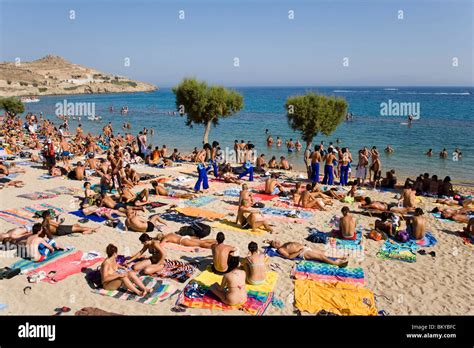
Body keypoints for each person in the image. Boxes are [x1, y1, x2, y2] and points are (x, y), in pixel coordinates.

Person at [266, 240, 348, 267]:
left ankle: (340, 257)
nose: (277, 242)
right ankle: (337, 264)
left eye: (276, 241)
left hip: (305, 248)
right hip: (302, 252)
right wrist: (299, 251)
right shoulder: (280, 249)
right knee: (321, 256)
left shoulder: (283, 244)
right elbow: (289, 257)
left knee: (324, 252)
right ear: (275, 247)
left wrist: (303, 246)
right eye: (275, 243)